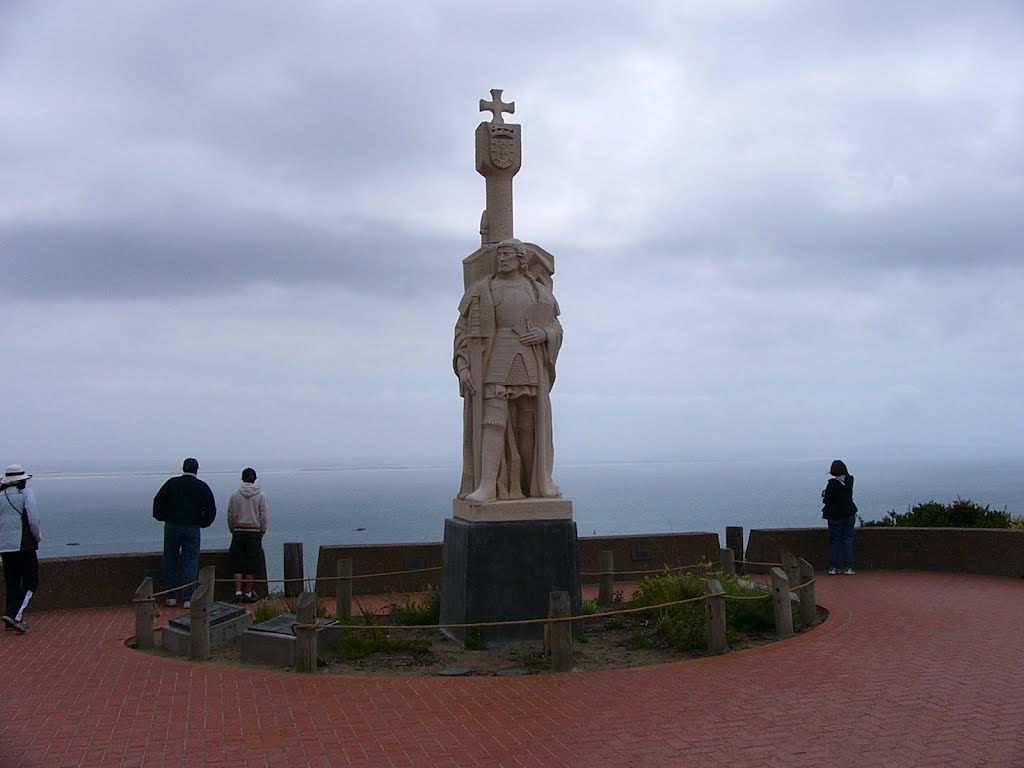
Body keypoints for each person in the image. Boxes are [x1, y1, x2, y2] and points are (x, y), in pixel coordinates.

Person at [454, 238, 563, 503]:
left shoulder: (539, 292)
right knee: (493, 420)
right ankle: (488, 485)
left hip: (530, 358)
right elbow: (462, 331)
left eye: (507, 255)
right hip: (495, 357)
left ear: (520, 259)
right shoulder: (483, 290)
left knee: (529, 423)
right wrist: (463, 365)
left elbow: (556, 328)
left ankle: (536, 481)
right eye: (499, 254)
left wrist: (545, 334)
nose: (501, 259)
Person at [153, 458, 216, 608]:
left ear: (183, 468)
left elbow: (157, 502)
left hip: (172, 526)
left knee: (170, 558)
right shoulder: (202, 487)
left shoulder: (171, 483)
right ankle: (189, 598)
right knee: (191, 560)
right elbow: (211, 509)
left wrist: (164, 517)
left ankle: (171, 596)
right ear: (196, 470)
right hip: (192, 527)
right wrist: (202, 523)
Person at [0, 464, 41, 633]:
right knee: (31, 580)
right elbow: (33, 519)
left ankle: (11, 620)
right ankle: (14, 615)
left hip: (5, 545)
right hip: (24, 544)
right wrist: (37, 538)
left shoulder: (0, 494)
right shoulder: (26, 493)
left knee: (13, 582)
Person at [226, 467, 268, 604]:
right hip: (254, 532)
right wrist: (262, 531)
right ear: (255, 479)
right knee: (252, 563)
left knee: (237, 562)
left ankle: (238, 592)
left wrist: (233, 529)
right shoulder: (261, 495)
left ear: (242, 479)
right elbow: (264, 516)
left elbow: (230, 515)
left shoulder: (235, 495)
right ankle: (248, 593)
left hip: (238, 531)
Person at [821, 459, 858, 575]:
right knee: (848, 540)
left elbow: (827, 500)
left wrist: (824, 494)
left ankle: (833, 567)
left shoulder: (832, 484)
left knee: (834, 541)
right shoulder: (850, 481)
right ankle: (849, 568)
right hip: (849, 514)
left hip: (835, 516)